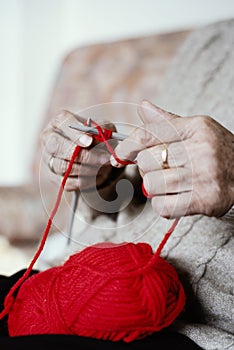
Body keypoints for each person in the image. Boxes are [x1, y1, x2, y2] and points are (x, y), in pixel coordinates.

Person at [0, 19, 233, 350]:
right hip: (71, 281)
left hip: (191, 330)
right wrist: (103, 174)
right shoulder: (209, 42)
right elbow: (147, 184)